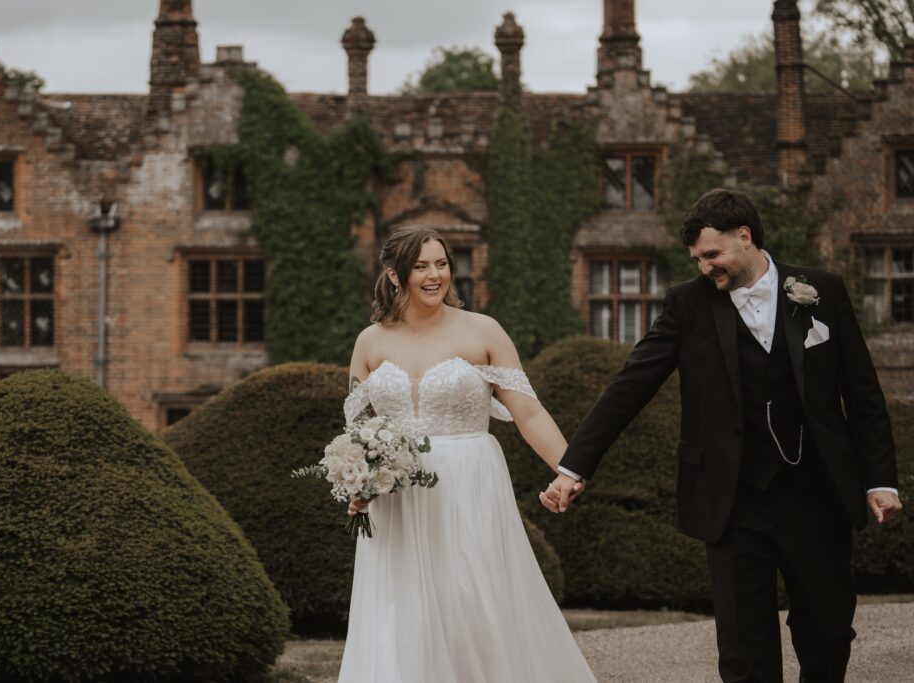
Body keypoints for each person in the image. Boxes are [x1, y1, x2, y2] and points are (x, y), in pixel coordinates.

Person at [542, 188, 902, 682]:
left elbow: (862, 393)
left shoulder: (822, 290)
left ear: (746, 237)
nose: (705, 268)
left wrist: (880, 479)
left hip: (817, 494)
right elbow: (630, 386)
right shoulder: (687, 306)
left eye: (712, 255)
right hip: (733, 500)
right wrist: (573, 467)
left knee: (829, 632)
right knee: (743, 650)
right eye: (697, 259)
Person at [338, 225, 595, 682]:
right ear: (396, 276)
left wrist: (569, 470)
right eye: (421, 266)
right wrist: (357, 485)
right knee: (403, 609)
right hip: (396, 498)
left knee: (473, 600)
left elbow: (529, 414)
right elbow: (357, 432)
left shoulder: (484, 331)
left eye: (441, 264)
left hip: (469, 487)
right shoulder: (369, 341)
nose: (434, 275)